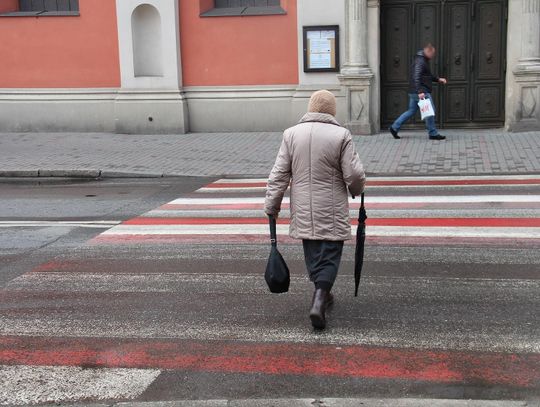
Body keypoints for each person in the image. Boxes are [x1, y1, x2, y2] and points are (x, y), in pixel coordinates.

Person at [264, 90, 366, 330]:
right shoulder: (341, 135)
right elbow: (353, 175)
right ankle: (319, 299)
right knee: (330, 255)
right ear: (332, 111)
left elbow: (279, 174)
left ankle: (323, 293)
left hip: (303, 210)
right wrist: (357, 188)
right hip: (331, 209)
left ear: (310, 108)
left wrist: (272, 204)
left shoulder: (291, 134)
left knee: (313, 254)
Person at [389, 43, 448, 141]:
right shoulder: (420, 61)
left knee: (411, 111)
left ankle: (394, 127)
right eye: (432, 54)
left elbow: (427, 76)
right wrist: (420, 91)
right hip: (421, 91)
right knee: (430, 111)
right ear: (428, 52)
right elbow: (416, 77)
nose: (433, 56)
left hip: (414, 91)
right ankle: (433, 133)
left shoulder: (422, 60)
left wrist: (438, 79)